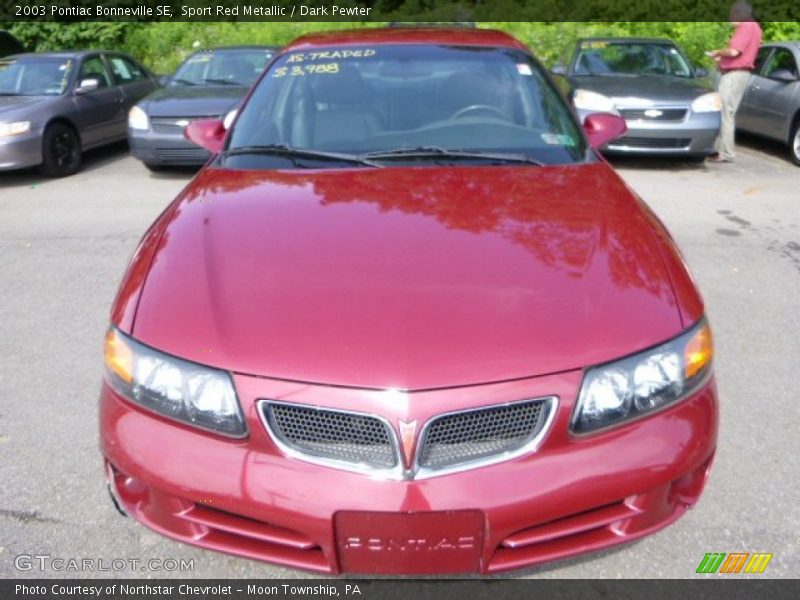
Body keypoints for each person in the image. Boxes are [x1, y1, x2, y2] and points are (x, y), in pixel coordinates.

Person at [707, 1, 762, 163]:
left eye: (733, 13)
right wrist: (721, 58)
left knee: (726, 113)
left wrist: (718, 52)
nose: (730, 17)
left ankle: (726, 153)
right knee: (726, 113)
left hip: (734, 75)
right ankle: (719, 150)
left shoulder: (747, 26)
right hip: (738, 73)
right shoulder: (755, 27)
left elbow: (733, 51)